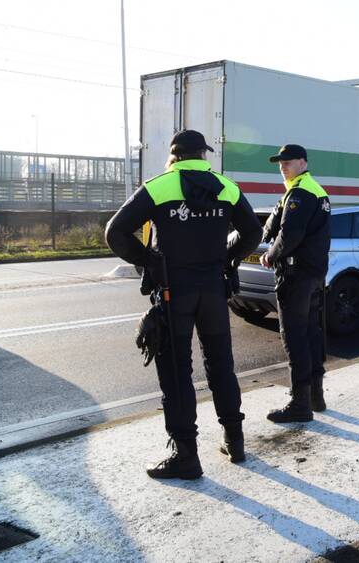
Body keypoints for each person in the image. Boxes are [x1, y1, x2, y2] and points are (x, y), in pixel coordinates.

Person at [105, 129, 262, 479]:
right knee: (221, 366)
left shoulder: (158, 187)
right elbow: (254, 232)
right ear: (204, 155)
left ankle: (186, 456)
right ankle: (234, 442)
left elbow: (114, 232)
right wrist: (227, 258)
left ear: (173, 155)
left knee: (177, 373)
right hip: (214, 291)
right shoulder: (226, 187)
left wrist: (150, 261)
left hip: (173, 292)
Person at [261, 144, 332, 423]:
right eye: (280, 164)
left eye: (288, 162)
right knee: (312, 334)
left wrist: (270, 255)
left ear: (303, 162)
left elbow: (290, 234)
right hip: (314, 274)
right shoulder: (315, 189)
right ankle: (316, 396)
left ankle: (300, 404)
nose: (283, 167)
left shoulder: (300, 193)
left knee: (295, 337)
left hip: (296, 276)